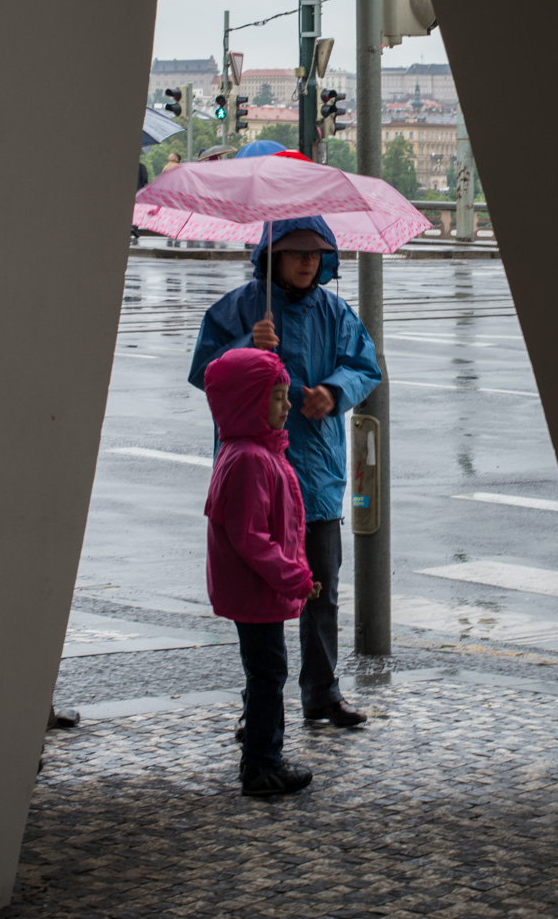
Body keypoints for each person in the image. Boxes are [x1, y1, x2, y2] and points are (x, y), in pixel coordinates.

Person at [190, 216, 381, 729]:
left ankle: (322, 691)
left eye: (315, 254)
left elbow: (366, 366)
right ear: (273, 255)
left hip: (314, 474)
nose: (306, 262)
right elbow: (205, 373)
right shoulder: (239, 307)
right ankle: (260, 709)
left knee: (320, 585)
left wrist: (334, 390)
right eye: (296, 253)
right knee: (260, 598)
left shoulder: (336, 311)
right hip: (257, 477)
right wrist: (246, 348)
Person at [203, 347, 318, 796]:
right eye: (276, 397)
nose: (287, 405)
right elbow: (252, 538)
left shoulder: (251, 451)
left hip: (257, 590)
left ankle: (259, 750)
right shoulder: (249, 458)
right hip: (258, 591)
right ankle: (262, 764)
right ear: (249, 402)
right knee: (269, 674)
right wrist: (295, 577)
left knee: (264, 671)